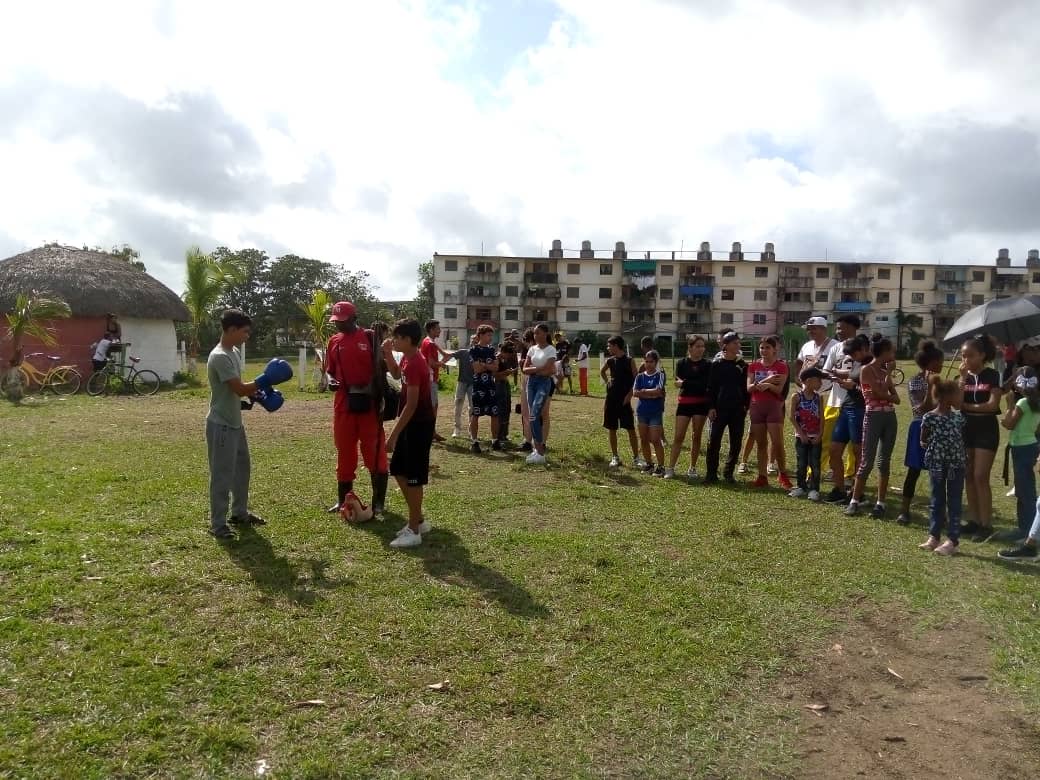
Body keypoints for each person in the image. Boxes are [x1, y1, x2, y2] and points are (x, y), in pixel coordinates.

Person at [205, 309, 288, 538]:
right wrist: (266, 379)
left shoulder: (232, 352)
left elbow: (239, 389)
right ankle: (218, 524)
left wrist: (259, 395)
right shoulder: (219, 356)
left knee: (242, 470)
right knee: (222, 474)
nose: (247, 336)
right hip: (221, 424)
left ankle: (239, 513)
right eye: (244, 331)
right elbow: (239, 388)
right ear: (231, 330)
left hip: (234, 422)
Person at [324, 300, 390, 516]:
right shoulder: (333, 341)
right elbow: (329, 370)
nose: (339, 325)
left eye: (343, 321)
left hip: (369, 404)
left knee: (374, 450)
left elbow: (383, 367)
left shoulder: (370, 337)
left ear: (354, 318)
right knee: (344, 451)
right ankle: (343, 500)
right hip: (344, 404)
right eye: (336, 321)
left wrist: (373, 386)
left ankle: (378, 502)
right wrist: (331, 379)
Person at [383, 318, 435, 549]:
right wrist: (386, 353)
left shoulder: (416, 364)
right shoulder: (407, 358)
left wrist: (392, 435)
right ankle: (419, 520)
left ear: (407, 339)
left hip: (418, 426)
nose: (393, 340)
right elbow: (395, 375)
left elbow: (411, 405)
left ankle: (414, 530)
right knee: (399, 471)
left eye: (396, 337)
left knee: (413, 478)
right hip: (409, 425)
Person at [846, 336, 900, 518]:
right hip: (873, 416)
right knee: (867, 460)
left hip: (889, 417)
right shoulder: (866, 370)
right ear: (884, 352)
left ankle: (880, 503)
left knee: (884, 461)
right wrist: (886, 387)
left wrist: (885, 393)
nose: (893, 354)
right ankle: (854, 501)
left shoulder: (884, 370)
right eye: (891, 351)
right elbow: (878, 393)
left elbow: (896, 398)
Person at [959, 333, 1003, 541]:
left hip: (986, 430)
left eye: (969, 356)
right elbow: (955, 402)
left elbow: (993, 405)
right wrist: (961, 379)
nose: (965, 360)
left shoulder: (992, 375)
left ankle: (986, 524)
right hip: (967, 428)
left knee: (980, 476)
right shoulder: (964, 377)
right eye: (962, 356)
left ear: (982, 356)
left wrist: (967, 407)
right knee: (968, 474)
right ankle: (974, 520)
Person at [896, 341, 944, 525]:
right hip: (920, 427)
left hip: (939, 429)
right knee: (914, 471)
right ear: (931, 362)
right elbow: (922, 409)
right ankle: (904, 511)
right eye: (939, 361)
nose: (941, 365)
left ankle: (939, 512)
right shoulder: (915, 381)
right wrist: (932, 388)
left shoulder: (941, 381)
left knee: (938, 473)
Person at [918, 380, 966, 556]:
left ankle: (952, 540)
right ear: (946, 397)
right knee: (937, 499)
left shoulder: (958, 417)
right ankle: (934, 536)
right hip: (937, 464)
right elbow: (922, 439)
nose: (958, 398)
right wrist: (934, 447)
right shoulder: (929, 417)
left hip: (956, 464)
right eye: (955, 394)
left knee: (954, 500)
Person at [824, 335, 870, 503]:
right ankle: (840, 489)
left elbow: (876, 390)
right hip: (847, 406)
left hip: (861, 409)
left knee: (858, 452)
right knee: (834, 449)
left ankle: (857, 493)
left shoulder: (874, 364)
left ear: (864, 349)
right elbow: (851, 374)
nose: (852, 358)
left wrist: (855, 387)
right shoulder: (858, 362)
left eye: (854, 354)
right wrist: (835, 375)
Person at [746, 336, 791, 490]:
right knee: (761, 444)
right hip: (756, 406)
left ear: (774, 349)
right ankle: (762, 476)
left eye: (767, 348)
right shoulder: (753, 366)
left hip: (773, 407)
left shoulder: (781, 366)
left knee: (777, 443)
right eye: (761, 348)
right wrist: (769, 380)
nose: (764, 351)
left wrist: (766, 384)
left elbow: (778, 390)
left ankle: (783, 474)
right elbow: (749, 388)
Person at [704, 332, 749, 484]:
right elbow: (710, 388)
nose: (738, 346)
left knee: (736, 442)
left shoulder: (742, 365)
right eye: (735, 343)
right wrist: (711, 407)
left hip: (737, 409)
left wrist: (745, 406)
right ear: (726, 345)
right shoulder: (716, 365)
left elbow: (746, 388)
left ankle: (728, 473)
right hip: (719, 409)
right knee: (714, 440)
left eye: (738, 343)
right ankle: (711, 474)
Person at [1001, 366, 1040, 539]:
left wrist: (1009, 404)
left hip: (1021, 448)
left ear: (1017, 386)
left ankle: (1027, 530)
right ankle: (1025, 527)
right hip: (1030, 444)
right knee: (1026, 488)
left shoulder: (1022, 403)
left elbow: (1009, 424)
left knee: (1025, 491)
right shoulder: (1036, 402)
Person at [820, 315, 860, 481]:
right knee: (827, 439)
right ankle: (816, 471)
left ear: (853, 327)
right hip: (834, 401)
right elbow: (826, 370)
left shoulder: (864, 347)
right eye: (837, 328)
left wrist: (849, 380)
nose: (838, 332)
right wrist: (833, 377)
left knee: (854, 444)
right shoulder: (836, 349)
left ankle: (850, 474)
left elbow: (863, 374)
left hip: (856, 403)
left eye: (841, 328)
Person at [665, 335, 711, 479]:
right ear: (690, 347)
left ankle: (692, 468)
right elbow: (679, 381)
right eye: (697, 346)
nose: (701, 349)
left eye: (702, 346)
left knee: (696, 436)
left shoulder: (708, 365)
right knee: (678, 436)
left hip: (700, 404)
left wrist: (686, 383)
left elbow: (704, 385)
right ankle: (671, 468)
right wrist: (691, 383)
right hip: (684, 403)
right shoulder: (681, 363)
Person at [601, 335, 642, 468]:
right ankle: (615, 457)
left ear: (616, 346)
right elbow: (602, 372)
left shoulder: (629, 360)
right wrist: (608, 383)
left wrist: (629, 395)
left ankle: (636, 458)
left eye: (609, 346)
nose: (608, 348)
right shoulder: (610, 361)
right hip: (611, 399)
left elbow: (636, 379)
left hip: (624, 401)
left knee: (630, 429)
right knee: (612, 428)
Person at [788, 367, 826, 500]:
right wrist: (801, 434)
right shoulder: (796, 397)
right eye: (818, 381)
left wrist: (820, 434)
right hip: (801, 437)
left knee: (815, 463)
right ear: (809, 381)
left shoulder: (819, 397)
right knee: (801, 463)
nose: (821, 383)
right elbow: (792, 417)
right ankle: (801, 486)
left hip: (816, 437)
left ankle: (814, 489)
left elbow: (822, 417)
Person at [522, 323, 556, 465]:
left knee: (535, 414)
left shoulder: (551, 350)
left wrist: (534, 369)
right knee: (532, 416)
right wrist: (539, 368)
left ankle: (540, 452)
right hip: (531, 383)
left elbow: (550, 370)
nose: (535, 336)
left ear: (546, 334)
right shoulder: (532, 349)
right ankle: (537, 450)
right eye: (534, 333)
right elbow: (525, 369)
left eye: (538, 333)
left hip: (543, 383)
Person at [633, 349, 667, 475]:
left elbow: (658, 391)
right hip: (641, 412)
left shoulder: (660, 375)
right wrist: (650, 394)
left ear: (656, 362)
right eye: (646, 361)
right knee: (643, 439)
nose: (648, 364)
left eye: (651, 361)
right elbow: (635, 392)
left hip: (655, 412)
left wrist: (644, 392)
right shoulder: (640, 376)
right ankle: (649, 464)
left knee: (655, 439)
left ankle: (661, 466)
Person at [467, 324, 500, 452]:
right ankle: (474, 442)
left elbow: (496, 368)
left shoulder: (492, 350)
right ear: (480, 335)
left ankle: (495, 440)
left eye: (491, 335)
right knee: (475, 414)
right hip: (477, 386)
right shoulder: (473, 350)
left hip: (490, 386)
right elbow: (476, 368)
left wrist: (483, 364)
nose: (490, 337)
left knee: (495, 414)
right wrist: (488, 365)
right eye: (488, 335)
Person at [420, 320, 451, 442]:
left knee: (432, 406)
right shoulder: (430, 344)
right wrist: (442, 364)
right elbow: (431, 363)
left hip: (430, 378)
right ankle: (430, 432)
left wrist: (444, 359)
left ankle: (430, 431)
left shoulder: (427, 341)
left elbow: (444, 355)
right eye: (438, 328)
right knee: (432, 406)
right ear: (431, 330)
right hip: (430, 378)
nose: (440, 330)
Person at [494, 340, 518, 447]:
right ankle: (499, 435)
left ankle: (504, 434)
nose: (508, 356)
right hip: (498, 385)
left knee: (507, 408)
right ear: (503, 351)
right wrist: (506, 372)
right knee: (501, 410)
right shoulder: (497, 359)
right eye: (508, 354)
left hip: (505, 383)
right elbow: (494, 375)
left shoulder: (504, 359)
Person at [518, 329, 535, 452]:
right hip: (525, 381)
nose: (524, 343)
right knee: (525, 412)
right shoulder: (525, 351)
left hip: (534, 381)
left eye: (525, 340)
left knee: (533, 413)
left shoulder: (536, 351)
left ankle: (534, 440)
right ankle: (527, 439)